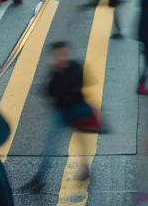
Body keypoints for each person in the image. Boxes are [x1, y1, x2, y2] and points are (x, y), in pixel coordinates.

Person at [24, 41, 99, 191]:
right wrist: (56, 75)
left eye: (63, 54)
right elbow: (47, 91)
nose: (61, 58)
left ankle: (85, 169)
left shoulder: (75, 67)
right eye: (57, 55)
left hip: (76, 111)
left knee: (80, 142)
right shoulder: (55, 72)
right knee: (50, 146)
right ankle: (40, 178)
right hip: (62, 114)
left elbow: (83, 83)